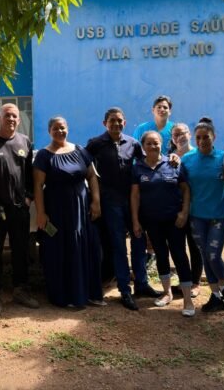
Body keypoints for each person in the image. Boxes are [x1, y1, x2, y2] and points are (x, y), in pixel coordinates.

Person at [85, 107, 160, 311]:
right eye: (112, 121)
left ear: (124, 123)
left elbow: (146, 163)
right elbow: (85, 165)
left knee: (138, 241)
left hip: (133, 200)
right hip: (110, 202)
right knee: (118, 245)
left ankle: (142, 284)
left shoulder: (133, 143)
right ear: (105, 123)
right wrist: (95, 196)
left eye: (119, 121)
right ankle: (125, 290)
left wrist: (171, 159)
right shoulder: (96, 143)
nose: (116, 124)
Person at [33, 116, 104, 309]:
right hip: (57, 209)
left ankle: (86, 293)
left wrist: (96, 201)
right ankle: (65, 296)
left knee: (85, 246)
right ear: (49, 131)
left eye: (62, 128)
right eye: (55, 129)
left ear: (68, 129)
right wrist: (41, 213)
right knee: (60, 249)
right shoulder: (44, 155)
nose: (60, 131)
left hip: (81, 207)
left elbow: (92, 177)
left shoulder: (80, 150)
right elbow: (38, 186)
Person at [0, 103, 39, 314]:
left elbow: (30, 174)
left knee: (21, 251)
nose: (11, 119)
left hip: (19, 209)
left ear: (19, 120)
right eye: (7, 116)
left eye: (14, 116)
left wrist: (29, 198)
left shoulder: (24, 142)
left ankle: (20, 289)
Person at [131, 131, 195, 317]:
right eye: (149, 143)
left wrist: (184, 212)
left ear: (161, 144)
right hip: (152, 221)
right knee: (161, 254)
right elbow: (134, 196)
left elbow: (185, 190)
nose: (153, 146)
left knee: (180, 255)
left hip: (174, 221)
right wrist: (135, 220)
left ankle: (188, 300)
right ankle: (167, 293)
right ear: (143, 147)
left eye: (156, 143)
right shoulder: (138, 168)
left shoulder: (173, 163)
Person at [183, 117, 224, 312]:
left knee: (213, 255)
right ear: (194, 139)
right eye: (198, 137)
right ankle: (215, 296)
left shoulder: (223, 158)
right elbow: (180, 185)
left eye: (206, 137)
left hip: (218, 216)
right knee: (205, 256)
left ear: (214, 137)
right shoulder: (187, 159)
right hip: (196, 216)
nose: (202, 141)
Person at [170, 122, 203, 298]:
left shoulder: (198, 154)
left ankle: (196, 283)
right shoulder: (169, 157)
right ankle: (185, 280)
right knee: (177, 246)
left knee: (195, 246)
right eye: (176, 134)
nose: (180, 137)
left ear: (189, 135)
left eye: (183, 133)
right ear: (172, 138)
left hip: (196, 208)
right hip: (175, 209)